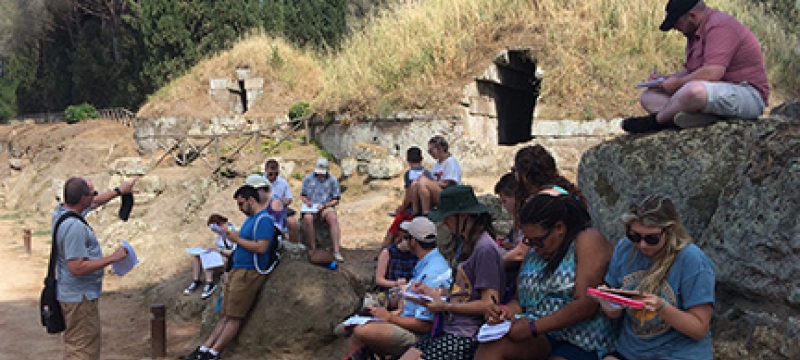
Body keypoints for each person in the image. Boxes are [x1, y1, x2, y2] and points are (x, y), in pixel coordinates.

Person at [474, 193, 616, 360]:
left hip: (581, 337)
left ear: (559, 228)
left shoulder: (586, 239)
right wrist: (503, 312)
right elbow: (520, 303)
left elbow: (586, 303)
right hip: (542, 333)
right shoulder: (534, 251)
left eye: (538, 241)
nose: (534, 247)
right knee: (491, 348)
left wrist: (534, 327)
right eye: (529, 241)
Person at [621, 0, 770, 133]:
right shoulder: (694, 33)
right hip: (715, 93)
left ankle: (656, 121)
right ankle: (701, 119)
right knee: (649, 96)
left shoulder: (720, 26)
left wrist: (678, 84)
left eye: (676, 23)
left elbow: (712, 73)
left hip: (747, 93)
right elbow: (691, 71)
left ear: (692, 16)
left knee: (693, 91)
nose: (674, 28)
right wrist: (664, 80)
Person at [595, 195, 715, 360]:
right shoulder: (625, 248)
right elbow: (615, 311)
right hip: (632, 351)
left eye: (651, 238)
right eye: (635, 236)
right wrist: (608, 303)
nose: (642, 245)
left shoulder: (693, 261)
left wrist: (662, 308)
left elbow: (699, 329)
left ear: (670, 230)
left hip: (679, 353)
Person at [398, 185, 505, 360]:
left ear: (462, 216)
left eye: (447, 218)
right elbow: (466, 291)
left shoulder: (484, 249)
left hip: (466, 334)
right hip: (450, 327)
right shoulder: (466, 243)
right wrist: (433, 293)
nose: (444, 223)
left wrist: (445, 306)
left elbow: (489, 303)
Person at [185, 185, 278, 360]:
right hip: (237, 270)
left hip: (250, 272)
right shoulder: (251, 219)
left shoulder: (263, 220)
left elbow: (261, 247)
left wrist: (237, 239)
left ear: (251, 200)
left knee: (235, 315)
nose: (240, 208)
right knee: (225, 314)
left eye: (241, 204)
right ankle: (205, 348)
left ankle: (214, 352)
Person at [53, 177, 137, 360]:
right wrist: (112, 258)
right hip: (79, 299)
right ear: (83, 198)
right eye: (92, 194)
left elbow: (95, 203)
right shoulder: (74, 227)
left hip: (74, 295)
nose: (95, 197)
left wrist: (119, 191)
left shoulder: (63, 212)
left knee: (77, 346)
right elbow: (76, 267)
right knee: (82, 351)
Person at [345, 217, 452, 360]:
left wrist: (389, 317)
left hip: (420, 335)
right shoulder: (429, 263)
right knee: (359, 330)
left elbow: (425, 324)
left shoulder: (432, 273)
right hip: (409, 320)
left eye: (407, 237)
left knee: (360, 331)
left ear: (413, 241)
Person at [383, 146, 434, 247]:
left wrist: (402, 207)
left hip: (411, 210)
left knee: (393, 229)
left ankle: (384, 250)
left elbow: (409, 195)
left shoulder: (409, 174)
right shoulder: (427, 173)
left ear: (407, 160)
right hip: (426, 208)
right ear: (421, 159)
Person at [300, 157, 344, 261]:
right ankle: (313, 248)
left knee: (332, 218)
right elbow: (303, 195)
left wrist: (326, 206)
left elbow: (336, 199)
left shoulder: (333, 180)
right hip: (311, 206)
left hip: (326, 206)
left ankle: (336, 250)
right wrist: (307, 202)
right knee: (307, 219)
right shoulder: (308, 178)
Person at [183, 214, 236, 299]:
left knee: (208, 258)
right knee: (198, 256)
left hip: (231, 262)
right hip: (223, 257)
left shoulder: (233, 233)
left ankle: (209, 283)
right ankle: (196, 281)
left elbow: (234, 253)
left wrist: (218, 250)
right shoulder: (221, 236)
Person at [407, 136, 462, 216]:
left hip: (449, 194)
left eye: (431, 150)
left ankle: (426, 212)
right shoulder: (436, 164)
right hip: (439, 191)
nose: (430, 153)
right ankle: (416, 211)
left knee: (422, 181)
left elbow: (448, 183)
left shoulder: (450, 162)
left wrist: (428, 182)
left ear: (439, 149)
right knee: (415, 183)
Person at [264, 159, 301, 245]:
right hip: (265, 210)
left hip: (280, 210)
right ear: (266, 171)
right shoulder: (260, 183)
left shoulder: (282, 182)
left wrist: (280, 203)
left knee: (293, 222)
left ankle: (293, 247)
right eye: (270, 174)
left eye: (276, 174)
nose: (273, 176)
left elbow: (289, 198)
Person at [374, 226, 418, 293]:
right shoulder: (388, 252)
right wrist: (395, 283)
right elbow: (379, 279)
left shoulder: (415, 253)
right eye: (406, 239)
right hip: (392, 290)